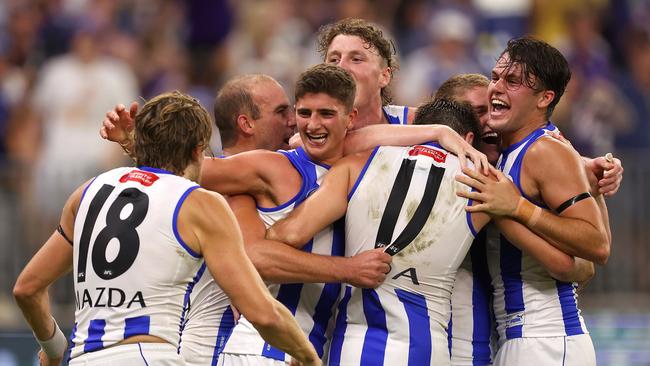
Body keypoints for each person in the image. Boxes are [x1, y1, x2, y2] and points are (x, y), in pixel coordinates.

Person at [101, 64, 488, 365]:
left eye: (325, 114)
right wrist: (132, 141)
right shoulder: (275, 167)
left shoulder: (360, 161)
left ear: (350, 119)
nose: (309, 125)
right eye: (301, 113)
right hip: (263, 348)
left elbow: (381, 135)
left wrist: (440, 133)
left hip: (310, 349)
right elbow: (197, 175)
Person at [266, 98, 599, 366]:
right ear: (468, 140)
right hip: (428, 347)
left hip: (354, 343)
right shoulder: (480, 184)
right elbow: (568, 264)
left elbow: (285, 236)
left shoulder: (358, 163)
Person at [13, 91, 320, 366]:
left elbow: (27, 288)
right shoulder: (198, 203)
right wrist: (308, 356)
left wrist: (53, 350)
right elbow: (262, 312)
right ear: (198, 149)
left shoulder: (86, 193)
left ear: (140, 142)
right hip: (149, 355)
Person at [455, 37, 611, 366]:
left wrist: (519, 208)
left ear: (545, 98)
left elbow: (597, 244)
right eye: (496, 77)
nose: (496, 88)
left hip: (547, 340)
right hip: (522, 338)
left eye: (512, 81)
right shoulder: (510, 151)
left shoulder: (545, 150)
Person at [317, 18, 414, 129]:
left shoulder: (420, 122)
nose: (341, 67)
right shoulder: (306, 139)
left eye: (356, 59)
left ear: (384, 76)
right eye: (334, 60)